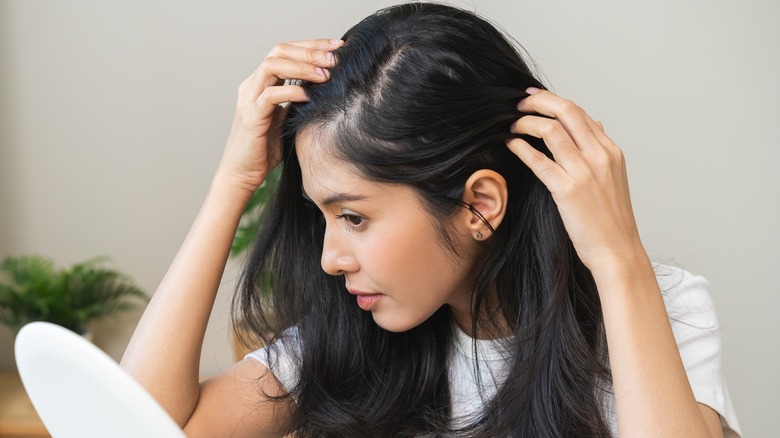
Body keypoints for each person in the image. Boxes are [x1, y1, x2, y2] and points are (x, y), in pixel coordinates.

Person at [120, 3, 741, 437]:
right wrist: (233, 181)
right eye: (323, 218)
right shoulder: (347, 339)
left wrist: (617, 259)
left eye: (355, 218)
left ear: (479, 204)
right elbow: (134, 429)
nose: (329, 258)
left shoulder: (654, 307)